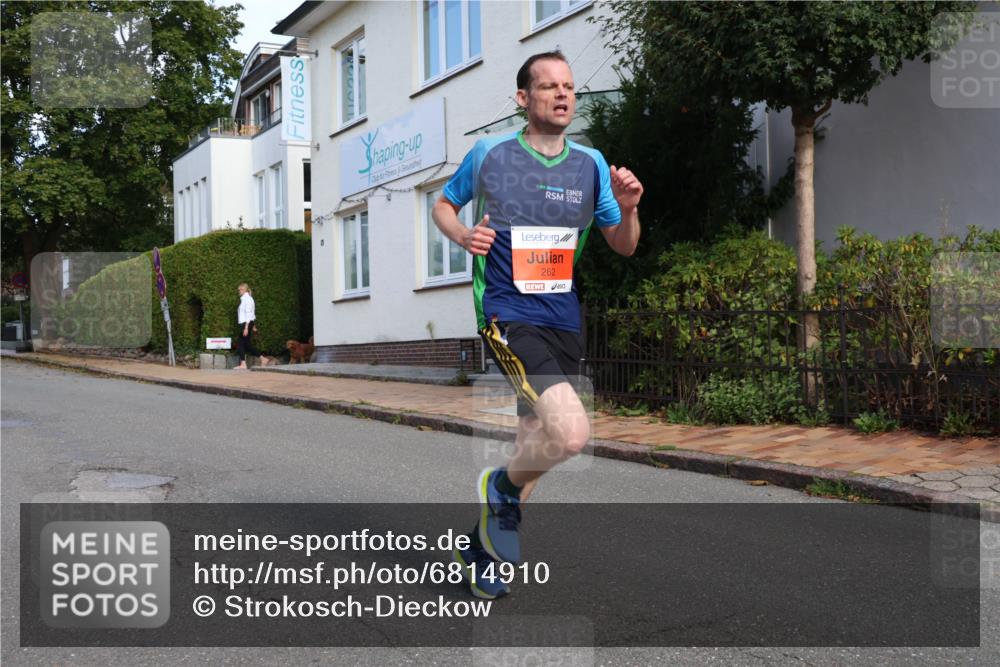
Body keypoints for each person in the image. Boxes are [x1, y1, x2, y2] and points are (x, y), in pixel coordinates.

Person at [432, 51, 643, 599]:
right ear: (524, 99)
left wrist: (629, 207)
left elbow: (622, 245)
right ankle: (498, 489)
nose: (562, 94)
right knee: (571, 434)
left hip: (563, 318)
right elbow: (443, 206)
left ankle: (482, 552)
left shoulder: (591, 164)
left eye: (569, 86)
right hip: (506, 315)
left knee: (535, 437)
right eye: (548, 86)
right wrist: (462, 237)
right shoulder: (489, 154)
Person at [235, 282, 271, 370]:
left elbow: (248, 313)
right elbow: (252, 313)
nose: (239, 291)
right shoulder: (247, 299)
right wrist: (253, 325)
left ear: (246, 290)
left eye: (241, 289)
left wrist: (247, 327)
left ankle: (243, 364)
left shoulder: (246, 299)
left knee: (240, 342)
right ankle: (263, 359)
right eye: (239, 289)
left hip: (246, 324)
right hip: (248, 323)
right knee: (246, 344)